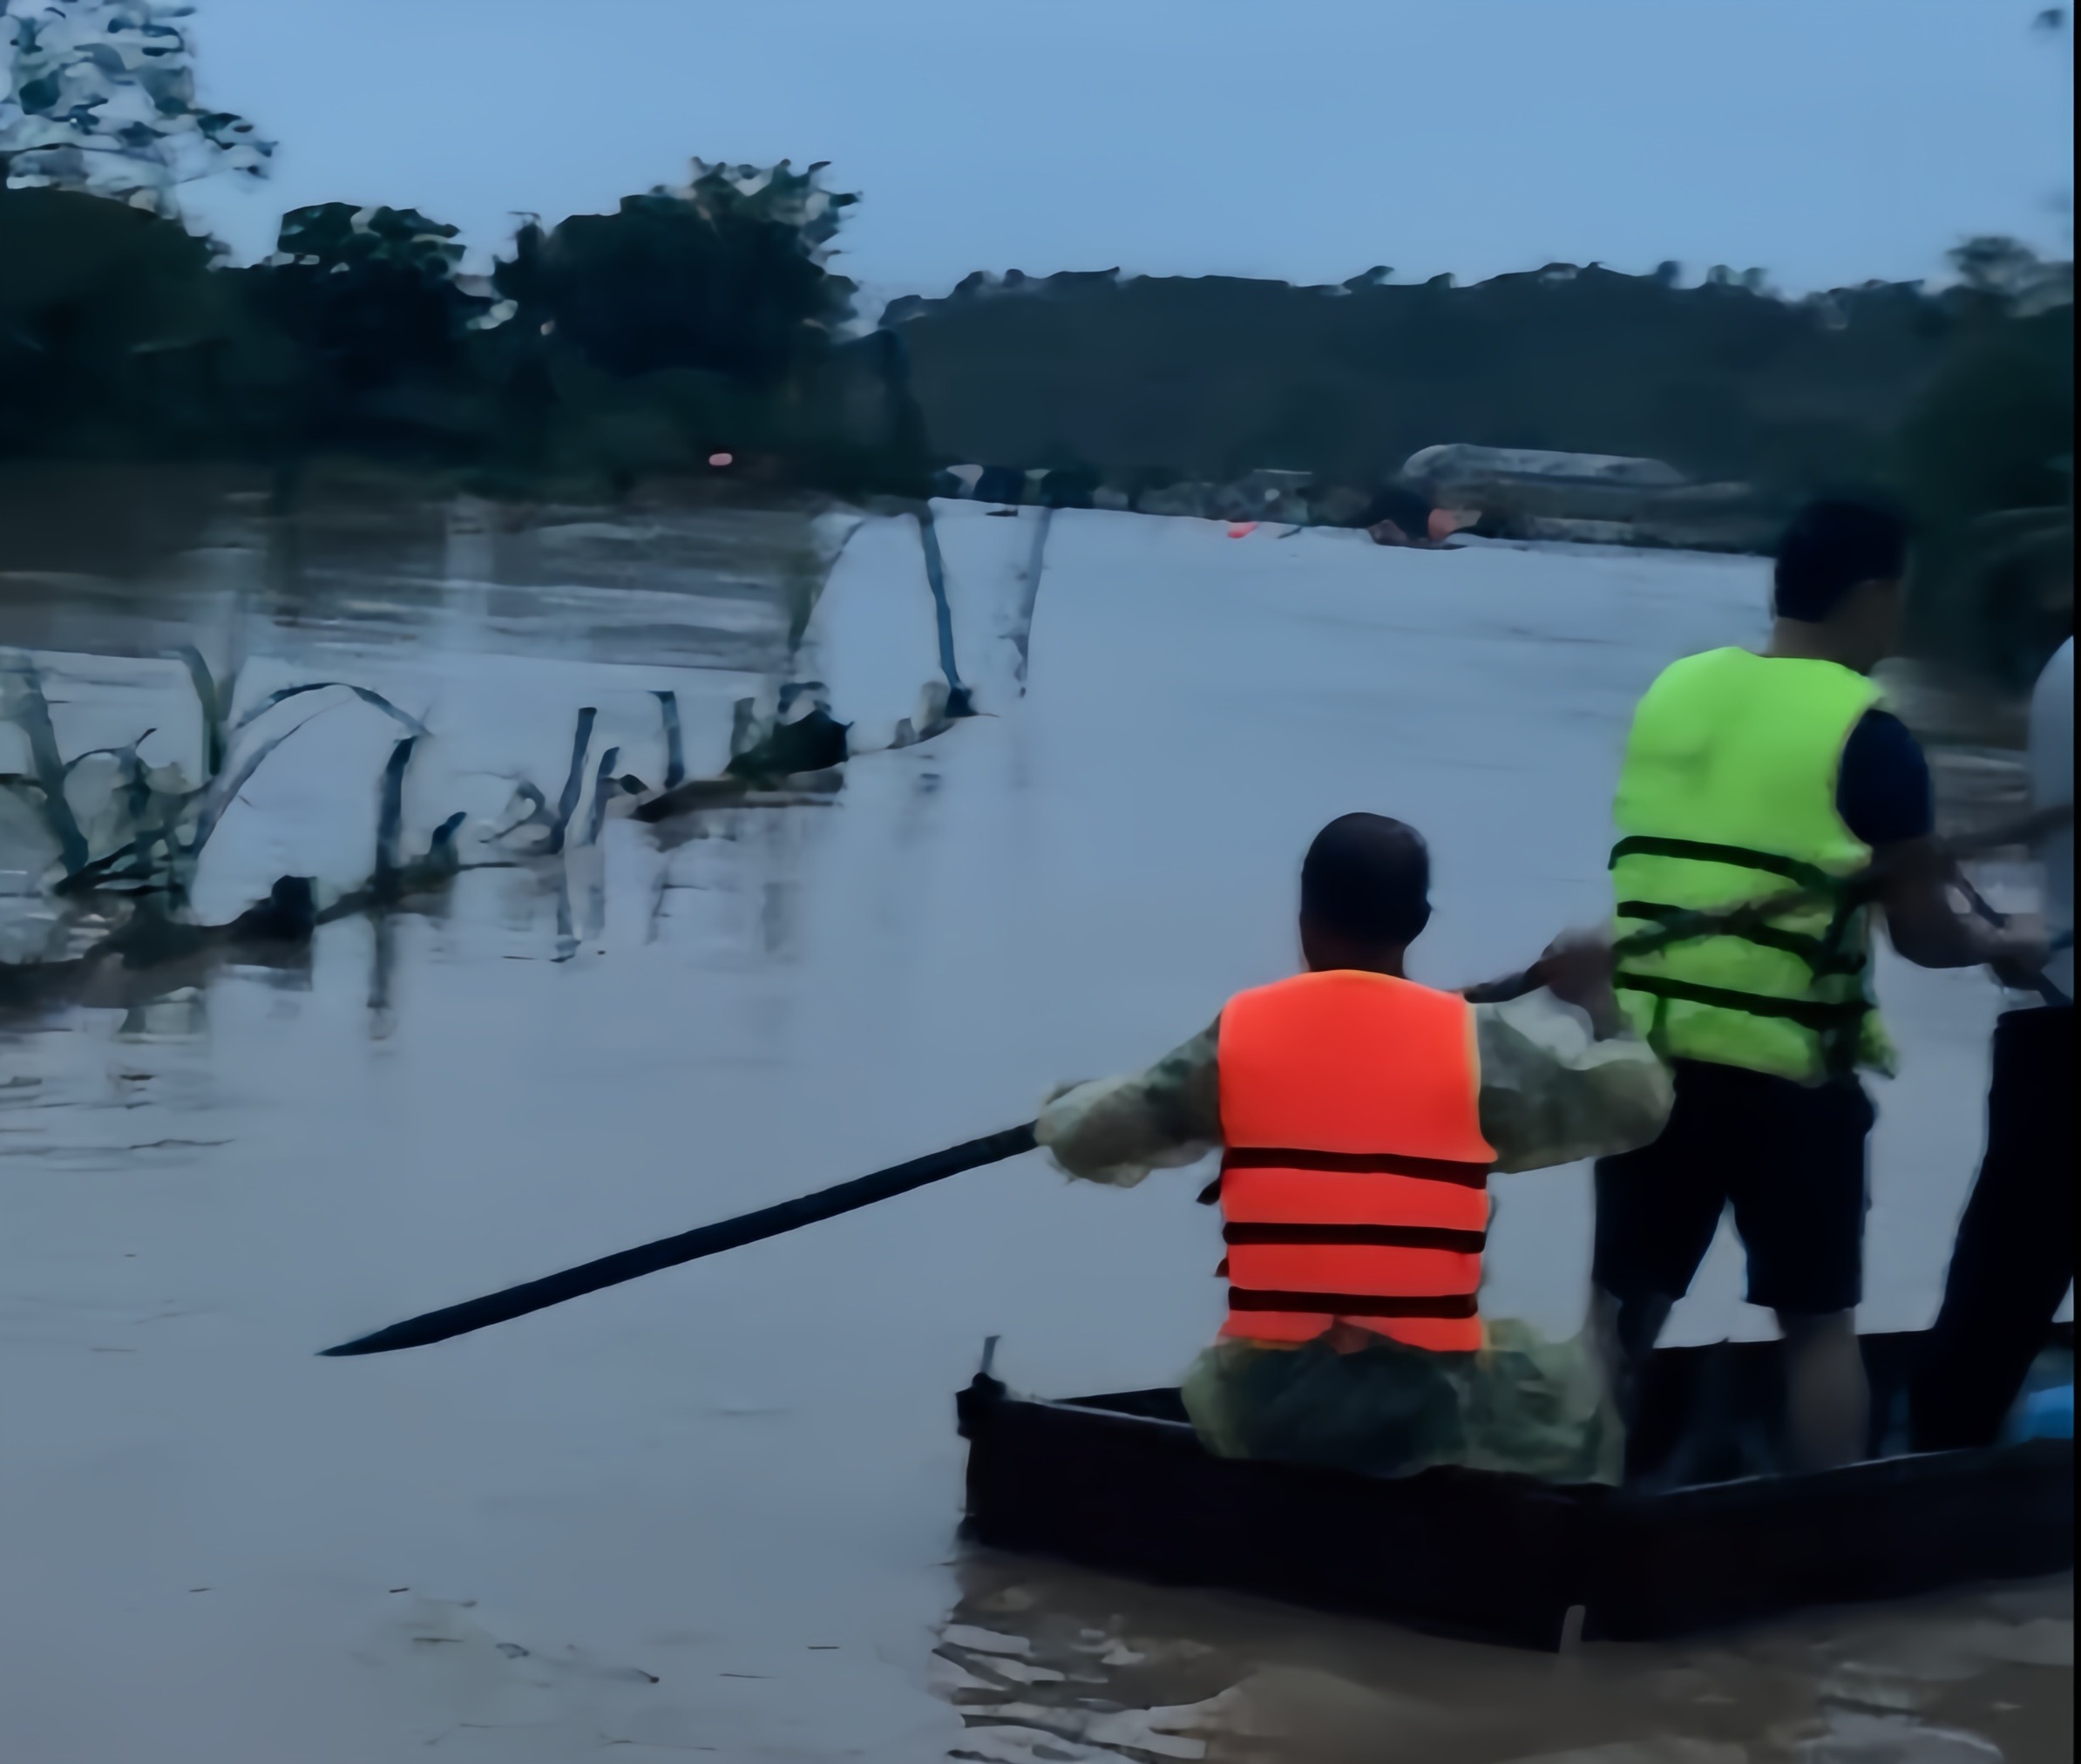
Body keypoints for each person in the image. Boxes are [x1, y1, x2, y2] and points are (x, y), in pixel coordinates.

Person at [1590, 499, 2048, 1472]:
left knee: (1621, 1307)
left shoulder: (1676, 689)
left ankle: (1577, 1493)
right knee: (1818, 1325)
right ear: (1875, 595)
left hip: (1646, 1056)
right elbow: (1923, 934)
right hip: (1787, 1072)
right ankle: (1827, 1523)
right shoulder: (1869, 733)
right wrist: (2003, 940)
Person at [1035, 812, 1673, 1484]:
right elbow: (1639, 1105)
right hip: (1430, 1397)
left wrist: (1064, 1104)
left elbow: (1085, 1140)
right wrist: (1600, 1005)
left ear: (1303, 920)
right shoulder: (1475, 1048)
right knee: (1579, 1389)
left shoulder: (1240, 1040)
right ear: (1419, 923)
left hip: (1266, 1405)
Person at [1912, 634, 2073, 1450]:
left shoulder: (2064, 665)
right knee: (2006, 1279)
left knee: (2000, 1290)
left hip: (2052, 1018)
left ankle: (1941, 1461)